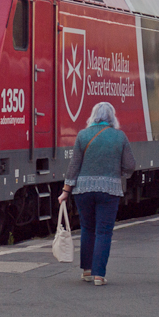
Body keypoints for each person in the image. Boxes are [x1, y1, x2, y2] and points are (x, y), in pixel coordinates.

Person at [58, 102, 136, 286]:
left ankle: (87, 271)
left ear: (93, 116)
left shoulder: (83, 135)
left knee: (87, 229)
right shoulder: (119, 136)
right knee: (103, 231)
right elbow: (130, 165)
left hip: (83, 190)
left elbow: (74, 166)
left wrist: (65, 192)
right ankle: (99, 275)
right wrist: (120, 173)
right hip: (109, 190)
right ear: (112, 117)